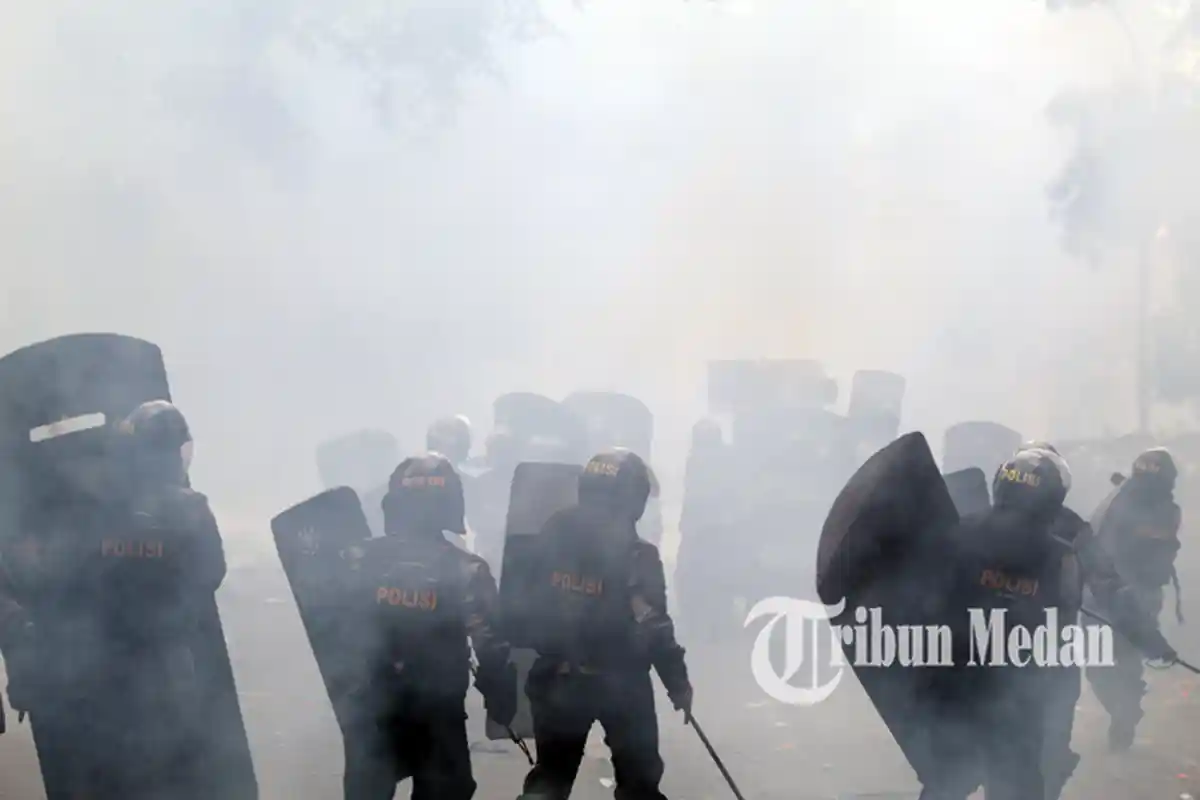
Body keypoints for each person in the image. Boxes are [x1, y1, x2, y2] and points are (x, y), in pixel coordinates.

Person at [340, 452, 516, 800]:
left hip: (374, 703)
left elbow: (337, 623)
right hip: (437, 708)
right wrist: (501, 700)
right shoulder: (466, 569)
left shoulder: (357, 559)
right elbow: (489, 644)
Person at [517, 450, 692, 800]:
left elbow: (523, 595)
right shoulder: (635, 552)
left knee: (551, 778)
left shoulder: (553, 530)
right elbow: (653, 625)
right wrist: (678, 683)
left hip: (556, 677)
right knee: (639, 782)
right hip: (621, 683)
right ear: (633, 497)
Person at [1005, 443, 1175, 798]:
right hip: (1039, 645)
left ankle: (1125, 710)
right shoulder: (1080, 521)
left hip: (1107, 603)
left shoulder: (1076, 525)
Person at [920, 448, 1076, 800]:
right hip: (1016, 697)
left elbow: (927, 601)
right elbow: (1062, 630)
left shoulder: (958, 532)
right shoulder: (1060, 556)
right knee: (1016, 785)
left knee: (948, 781)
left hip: (953, 684)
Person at [1086, 447, 1183, 750]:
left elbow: (1153, 544)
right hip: (1101, 593)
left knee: (1124, 661)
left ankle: (1124, 716)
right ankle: (1124, 710)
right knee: (1095, 662)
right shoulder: (1115, 500)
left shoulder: (1166, 511)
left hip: (1138, 593)